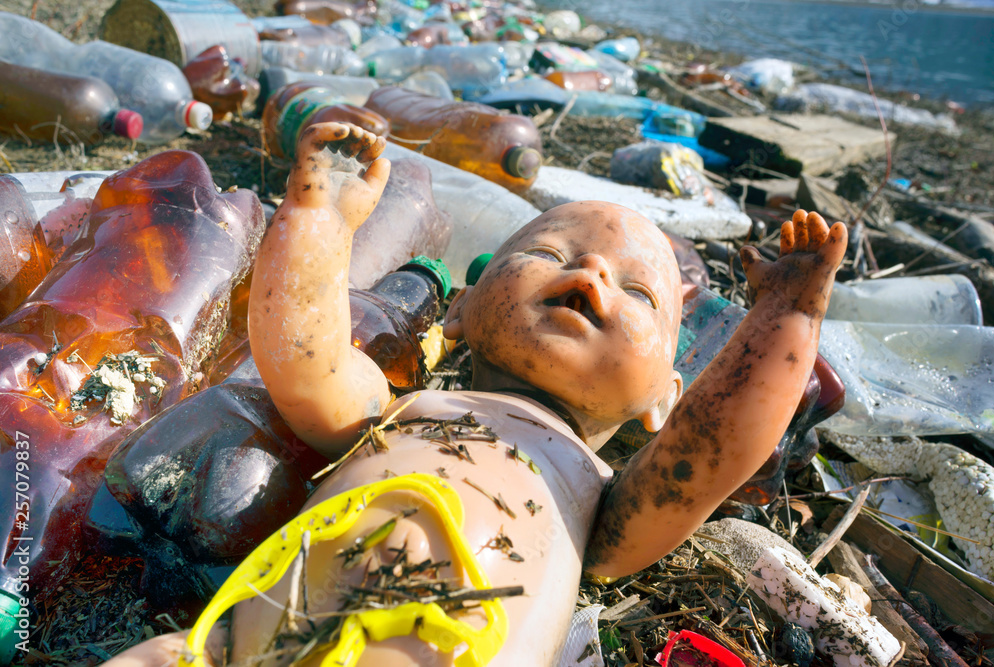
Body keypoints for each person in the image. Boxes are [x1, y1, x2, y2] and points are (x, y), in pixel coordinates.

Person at [104, 122, 847, 667]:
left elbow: (712, 450)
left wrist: (789, 310)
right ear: (456, 312)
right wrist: (320, 217)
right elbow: (301, 353)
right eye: (547, 253)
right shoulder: (392, 409)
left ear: (662, 401)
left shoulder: (596, 497)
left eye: (637, 293)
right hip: (234, 646)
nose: (590, 274)